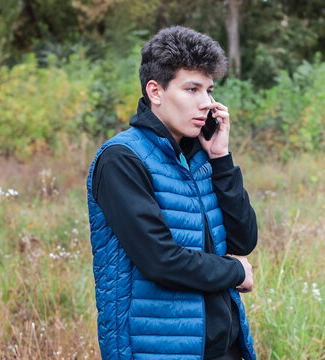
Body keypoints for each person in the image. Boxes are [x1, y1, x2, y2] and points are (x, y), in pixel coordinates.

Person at [86, 26, 258, 360]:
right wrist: (236, 272)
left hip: (225, 346)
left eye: (209, 90)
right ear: (156, 91)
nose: (207, 103)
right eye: (192, 89)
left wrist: (221, 159)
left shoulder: (199, 154)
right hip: (160, 347)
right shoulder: (122, 159)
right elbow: (160, 260)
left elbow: (243, 240)